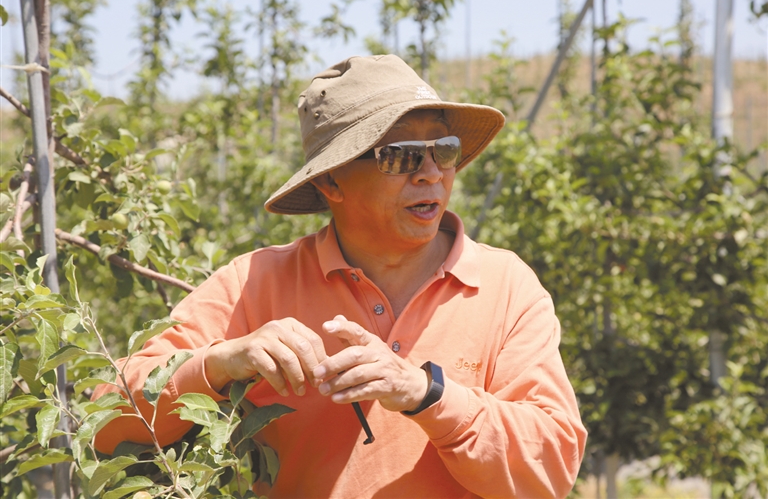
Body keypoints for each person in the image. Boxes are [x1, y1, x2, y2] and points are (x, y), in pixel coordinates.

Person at [94, 54, 587, 498]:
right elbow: (106, 419)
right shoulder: (257, 282)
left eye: (444, 149)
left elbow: (552, 468)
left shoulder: (505, 286)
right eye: (400, 155)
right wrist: (220, 363)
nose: (431, 173)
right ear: (331, 180)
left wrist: (427, 395)